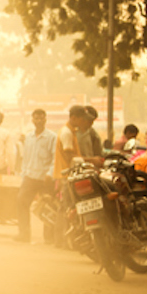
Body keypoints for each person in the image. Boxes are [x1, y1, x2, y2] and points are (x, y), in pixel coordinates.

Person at [15, 109, 57, 243]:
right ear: (32, 120)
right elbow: (26, 157)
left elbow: (54, 158)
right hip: (30, 176)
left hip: (45, 178)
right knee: (21, 201)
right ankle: (24, 234)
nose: (39, 121)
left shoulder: (52, 137)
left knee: (48, 206)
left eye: (41, 119)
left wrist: (50, 174)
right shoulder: (29, 137)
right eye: (36, 119)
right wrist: (24, 173)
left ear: (45, 120)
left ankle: (49, 237)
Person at [53, 105, 87, 247]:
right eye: (81, 119)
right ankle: (61, 239)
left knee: (66, 206)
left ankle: (63, 239)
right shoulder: (66, 132)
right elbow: (69, 155)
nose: (83, 122)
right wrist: (89, 160)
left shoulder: (70, 131)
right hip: (67, 175)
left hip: (67, 174)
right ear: (74, 118)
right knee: (67, 207)